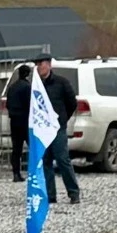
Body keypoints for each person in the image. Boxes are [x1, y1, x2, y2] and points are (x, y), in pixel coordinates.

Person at [36, 55, 80, 205]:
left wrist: (62, 118)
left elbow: (72, 103)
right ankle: (50, 195)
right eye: (37, 64)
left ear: (49, 65)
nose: (39, 67)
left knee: (62, 159)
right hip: (43, 129)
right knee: (46, 161)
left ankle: (73, 192)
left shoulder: (61, 82)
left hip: (57, 127)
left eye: (41, 64)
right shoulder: (36, 86)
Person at [5, 62, 33, 182]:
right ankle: (35, 171)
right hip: (25, 120)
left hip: (14, 121)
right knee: (33, 146)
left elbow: (8, 104)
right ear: (28, 75)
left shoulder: (12, 87)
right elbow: (30, 103)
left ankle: (16, 173)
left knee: (16, 149)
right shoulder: (27, 87)